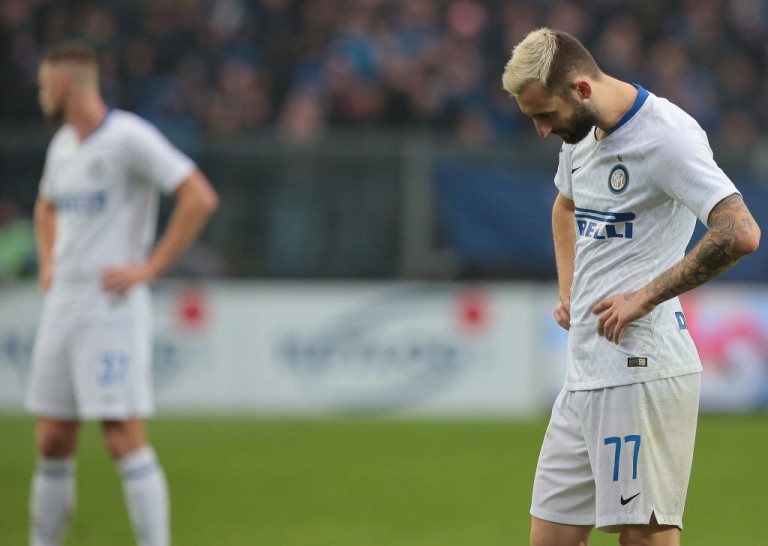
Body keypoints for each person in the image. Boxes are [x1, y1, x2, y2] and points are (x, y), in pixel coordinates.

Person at [502, 28, 760, 546]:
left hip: (643, 369)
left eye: (545, 114)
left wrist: (645, 296)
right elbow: (565, 205)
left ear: (581, 89)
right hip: (584, 371)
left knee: (643, 537)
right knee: (550, 539)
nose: (541, 129)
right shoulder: (582, 137)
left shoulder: (667, 136)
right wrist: (569, 290)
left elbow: (740, 231)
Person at [26, 41, 218, 546]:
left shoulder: (129, 138)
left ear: (63, 87)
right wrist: (48, 260)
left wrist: (151, 266)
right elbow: (46, 207)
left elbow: (198, 196)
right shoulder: (63, 145)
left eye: (44, 86)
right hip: (63, 305)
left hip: (109, 307)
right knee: (52, 437)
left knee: (121, 436)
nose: (40, 95)